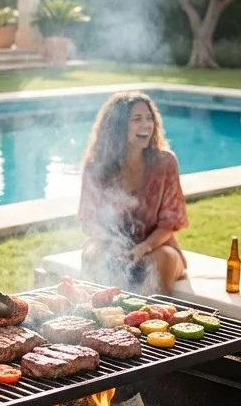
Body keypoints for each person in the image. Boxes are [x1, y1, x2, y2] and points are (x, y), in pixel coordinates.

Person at [79, 91, 188, 293]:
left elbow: (170, 222)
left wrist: (144, 247)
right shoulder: (96, 166)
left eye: (149, 119)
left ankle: (157, 319)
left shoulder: (165, 162)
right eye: (136, 119)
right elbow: (88, 220)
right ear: (118, 127)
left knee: (161, 260)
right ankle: (100, 316)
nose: (146, 125)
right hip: (111, 246)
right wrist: (113, 243)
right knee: (93, 253)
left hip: (156, 247)